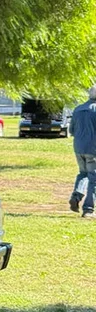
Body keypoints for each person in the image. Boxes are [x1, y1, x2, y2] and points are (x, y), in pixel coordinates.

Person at [69, 85, 96, 217]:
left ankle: (76, 196)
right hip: (93, 149)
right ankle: (88, 209)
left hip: (79, 147)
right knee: (93, 178)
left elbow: (71, 130)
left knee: (83, 173)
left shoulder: (78, 109)